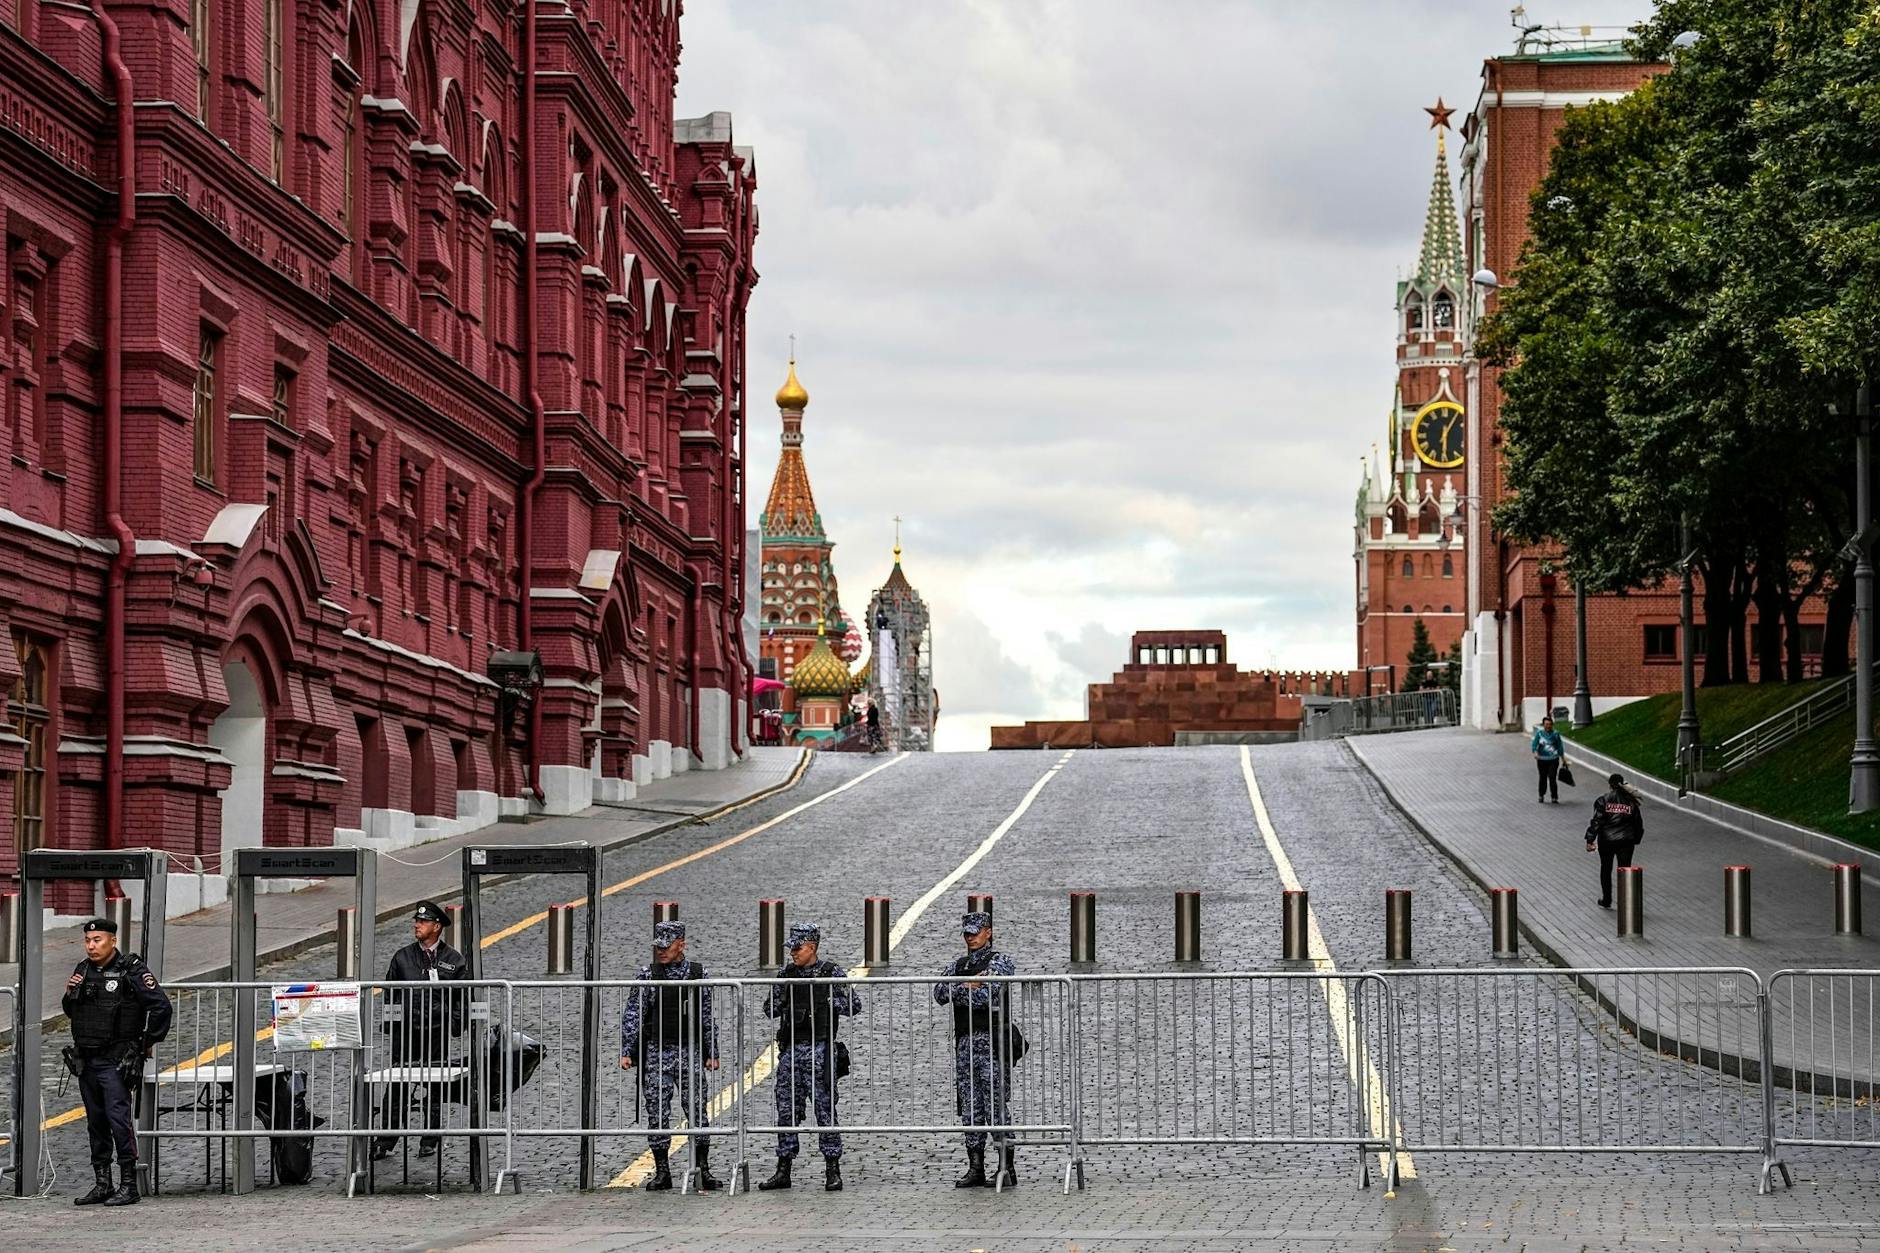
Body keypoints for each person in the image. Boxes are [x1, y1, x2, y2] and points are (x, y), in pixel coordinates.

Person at [62, 916, 172, 1206]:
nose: (91, 946)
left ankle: (128, 1184)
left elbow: (161, 1006)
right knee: (95, 1123)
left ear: (113, 940)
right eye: (87, 940)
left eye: (97, 940)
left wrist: (147, 1043)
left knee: (118, 1120)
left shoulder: (130, 969)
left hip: (115, 1060)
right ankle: (102, 1183)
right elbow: (73, 1011)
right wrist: (69, 992)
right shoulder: (83, 969)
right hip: (87, 1059)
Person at [620, 919, 721, 1192]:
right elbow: (634, 1014)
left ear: (681, 944)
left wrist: (712, 1051)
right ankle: (662, 1171)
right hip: (656, 1052)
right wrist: (627, 1050)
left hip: (689, 1051)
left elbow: (706, 1016)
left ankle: (703, 1169)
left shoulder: (698, 973)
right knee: (657, 1113)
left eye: (667, 946)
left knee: (697, 1110)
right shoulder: (648, 974)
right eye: (658, 946)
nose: (661, 951)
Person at [757, 922, 858, 1193]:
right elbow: (771, 1008)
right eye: (791, 948)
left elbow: (853, 1005)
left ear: (812, 947)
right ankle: (783, 1169)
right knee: (787, 1110)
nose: (792, 953)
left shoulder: (830, 972)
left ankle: (832, 1169)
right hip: (791, 1052)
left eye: (797, 948)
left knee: (825, 1111)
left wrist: (825, 1000)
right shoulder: (787, 974)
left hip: (820, 1051)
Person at [372, 899, 468, 1161]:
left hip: (436, 1033)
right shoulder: (403, 957)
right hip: (407, 1033)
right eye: (417, 921)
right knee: (397, 1088)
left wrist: (455, 1024)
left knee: (434, 1087)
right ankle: (386, 1140)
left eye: (423, 922)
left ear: (437, 927)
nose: (417, 925)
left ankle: (430, 1139)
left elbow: (462, 997)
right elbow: (390, 994)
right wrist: (392, 1025)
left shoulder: (453, 960)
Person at [934, 911, 1019, 1190]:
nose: (970, 937)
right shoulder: (958, 964)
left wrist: (962, 986)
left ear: (988, 933)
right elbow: (939, 993)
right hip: (966, 1044)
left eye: (975, 932)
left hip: (993, 1044)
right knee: (971, 1108)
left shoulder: (1000, 961)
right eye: (967, 933)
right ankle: (976, 1166)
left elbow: (988, 995)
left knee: (996, 1106)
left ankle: (1006, 1167)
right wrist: (968, 983)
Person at [1585, 772, 1645, 908]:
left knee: (1606, 869)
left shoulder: (1603, 800)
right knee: (1625, 869)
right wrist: (1636, 839)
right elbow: (1638, 823)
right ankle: (1625, 901)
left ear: (1610, 785)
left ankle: (1607, 899)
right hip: (1626, 842)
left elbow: (1597, 822)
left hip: (1606, 841)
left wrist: (1590, 839)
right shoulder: (1631, 801)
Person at [1530, 715, 1565, 804]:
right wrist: (1535, 753)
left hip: (1553, 759)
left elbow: (1560, 747)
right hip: (1542, 759)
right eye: (1546, 724)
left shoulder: (1555, 734)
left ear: (1552, 725)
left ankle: (1554, 796)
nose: (1548, 726)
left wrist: (1563, 759)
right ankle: (1541, 795)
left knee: (1552, 777)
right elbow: (1534, 744)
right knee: (1543, 777)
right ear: (1543, 725)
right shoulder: (1539, 734)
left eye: (1549, 724)